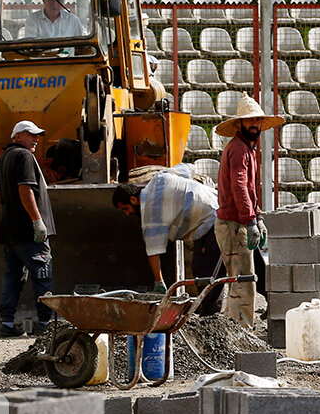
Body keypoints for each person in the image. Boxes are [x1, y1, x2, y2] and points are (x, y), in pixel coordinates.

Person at [113, 167, 223, 314]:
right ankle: (263, 292)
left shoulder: (150, 213)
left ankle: (210, 317)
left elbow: (153, 252)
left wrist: (159, 283)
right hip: (218, 205)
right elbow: (188, 168)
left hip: (210, 222)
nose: (127, 214)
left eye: (126, 209)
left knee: (204, 271)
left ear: (133, 200)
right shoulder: (160, 178)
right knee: (232, 268)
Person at [215, 95, 283, 326]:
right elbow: (240, 186)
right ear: (239, 124)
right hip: (234, 225)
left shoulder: (247, 149)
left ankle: (239, 330)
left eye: (257, 119)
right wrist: (250, 220)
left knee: (242, 281)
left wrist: (258, 217)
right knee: (242, 284)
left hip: (238, 223)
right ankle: (241, 331)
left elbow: (250, 189)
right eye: (249, 120)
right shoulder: (238, 150)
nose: (254, 123)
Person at [0, 120, 56, 336]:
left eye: (37, 135)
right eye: (31, 135)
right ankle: (46, 325)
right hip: (29, 231)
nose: (36, 140)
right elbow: (25, 190)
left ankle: (7, 324)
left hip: (10, 230)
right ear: (18, 136)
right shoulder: (24, 156)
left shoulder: (4, 158)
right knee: (42, 274)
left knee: (12, 277)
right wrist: (37, 221)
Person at [21, 0, 86, 40]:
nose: (55, 4)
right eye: (51, 0)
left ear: (63, 1)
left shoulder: (73, 20)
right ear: (43, 0)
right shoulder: (33, 20)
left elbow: (82, 46)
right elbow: (31, 46)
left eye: (58, 0)